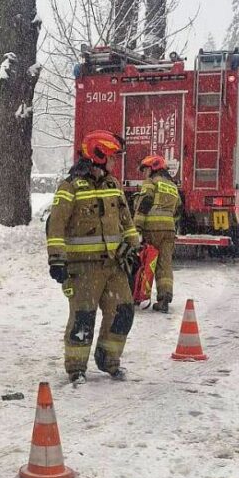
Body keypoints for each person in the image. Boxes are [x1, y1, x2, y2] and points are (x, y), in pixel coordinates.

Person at [46, 131, 140, 384]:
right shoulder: (70, 187)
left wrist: (134, 248)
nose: (114, 162)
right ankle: (76, 368)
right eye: (111, 157)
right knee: (83, 317)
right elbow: (55, 226)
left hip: (114, 265)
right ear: (98, 156)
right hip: (83, 268)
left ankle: (109, 359)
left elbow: (126, 221)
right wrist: (56, 259)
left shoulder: (113, 184)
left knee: (123, 311)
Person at [133, 154, 181, 313]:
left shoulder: (151, 183)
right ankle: (164, 298)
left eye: (145, 169)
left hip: (152, 229)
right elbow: (178, 209)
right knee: (164, 264)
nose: (143, 173)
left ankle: (139, 295)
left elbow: (144, 204)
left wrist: (137, 228)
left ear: (152, 168)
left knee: (145, 262)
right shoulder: (172, 186)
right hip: (169, 230)